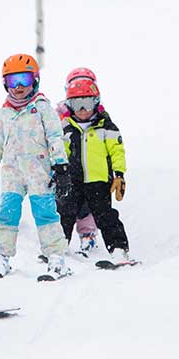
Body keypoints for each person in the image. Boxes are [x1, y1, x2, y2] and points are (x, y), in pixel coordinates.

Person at [0, 54, 72, 281]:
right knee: (6, 214)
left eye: (24, 79)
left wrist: (61, 167)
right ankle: (1, 257)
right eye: (12, 80)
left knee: (45, 214)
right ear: (5, 83)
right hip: (12, 175)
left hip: (39, 173)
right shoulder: (5, 113)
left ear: (34, 80)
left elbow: (56, 137)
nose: (18, 87)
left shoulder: (42, 107)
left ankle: (56, 258)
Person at [57, 78, 133, 264]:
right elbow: (60, 152)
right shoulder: (66, 128)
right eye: (77, 104)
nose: (83, 110)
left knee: (105, 214)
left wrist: (119, 175)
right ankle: (57, 249)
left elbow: (117, 151)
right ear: (69, 105)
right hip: (73, 181)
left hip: (98, 181)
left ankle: (118, 249)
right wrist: (57, 173)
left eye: (87, 103)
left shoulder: (106, 126)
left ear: (96, 102)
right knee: (65, 213)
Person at [56, 67, 102, 255]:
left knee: (88, 204)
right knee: (65, 203)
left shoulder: (99, 115)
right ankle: (59, 240)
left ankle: (88, 234)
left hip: (90, 167)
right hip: (67, 166)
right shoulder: (60, 114)